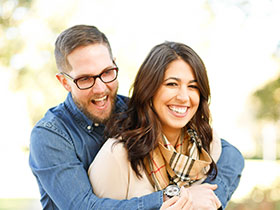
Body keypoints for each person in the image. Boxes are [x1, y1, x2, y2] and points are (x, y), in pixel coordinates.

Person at [29, 25, 244, 210]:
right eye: (85, 79)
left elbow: (231, 155)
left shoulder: (135, 110)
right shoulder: (50, 135)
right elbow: (84, 207)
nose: (101, 88)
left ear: (115, 64)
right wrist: (176, 196)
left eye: (107, 73)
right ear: (65, 82)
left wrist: (209, 199)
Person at [88, 41, 243, 209]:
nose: (184, 97)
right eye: (172, 84)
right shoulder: (116, 156)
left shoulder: (207, 145)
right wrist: (185, 198)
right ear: (149, 89)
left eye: (193, 86)